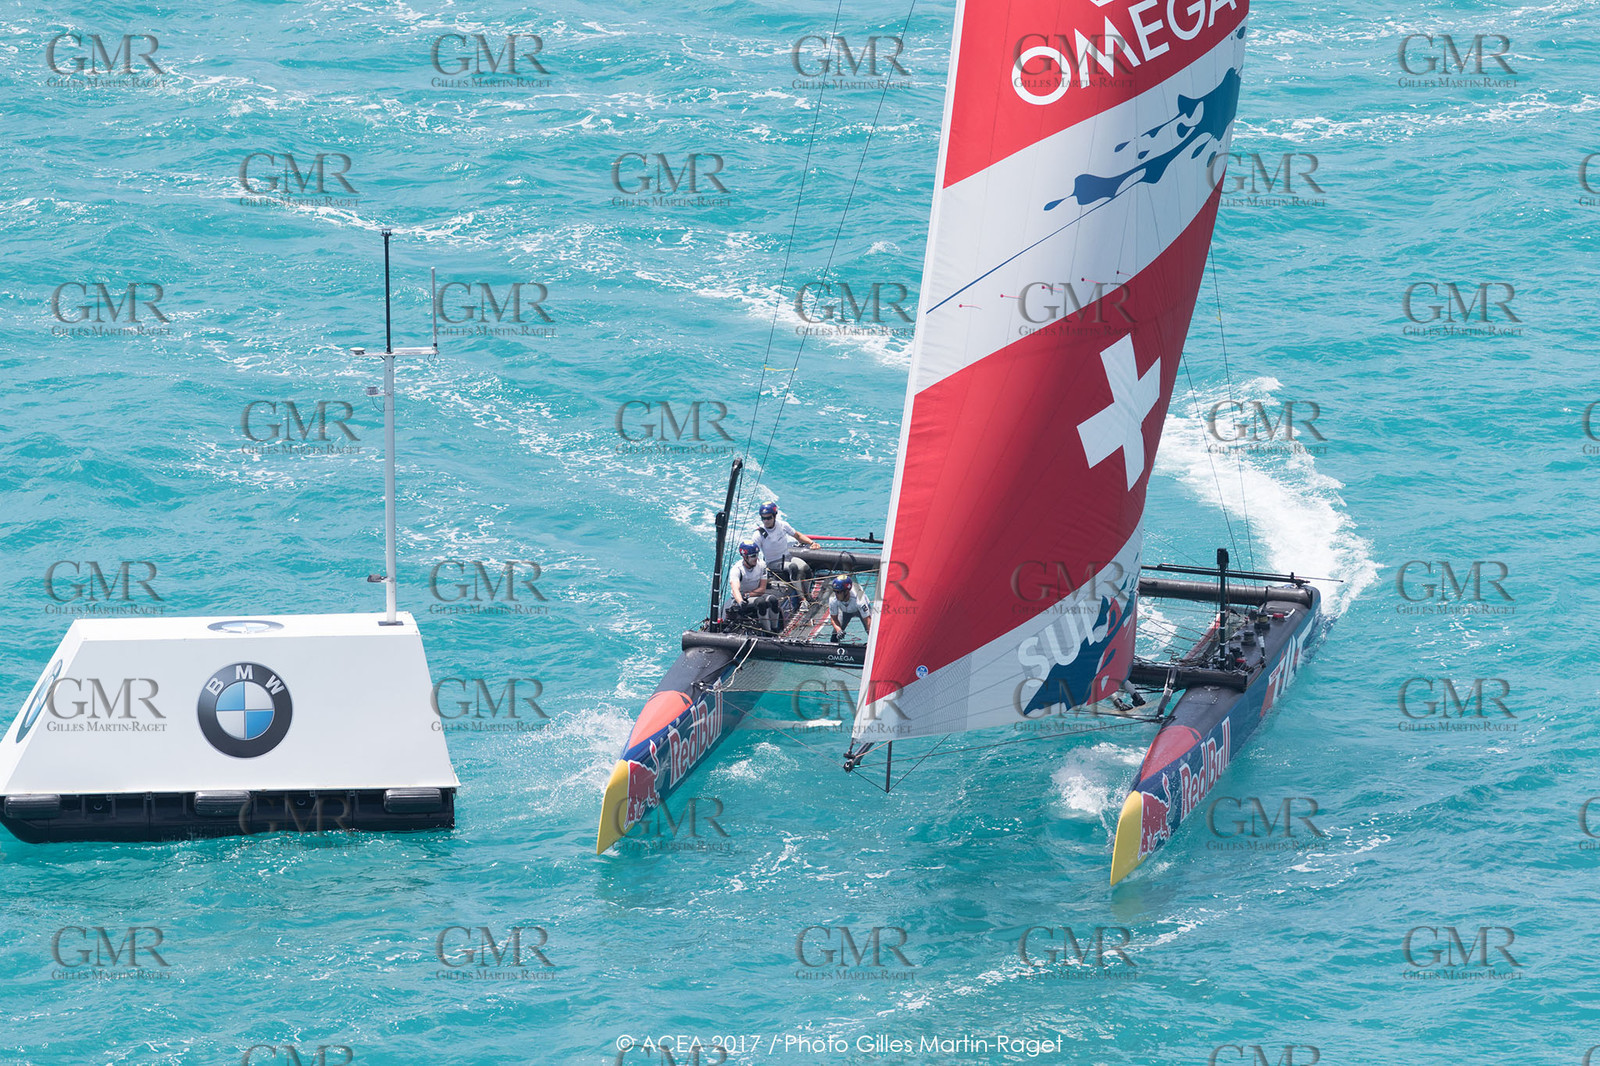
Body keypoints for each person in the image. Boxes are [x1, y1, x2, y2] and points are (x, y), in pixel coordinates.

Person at [752, 501, 818, 596]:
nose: (766, 521)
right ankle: (802, 599)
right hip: (772, 562)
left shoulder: (783, 525)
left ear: (775, 516)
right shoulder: (758, 535)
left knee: (805, 568)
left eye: (768, 518)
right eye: (763, 518)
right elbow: (754, 555)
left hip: (787, 556)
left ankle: (807, 592)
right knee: (793, 568)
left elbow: (797, 535)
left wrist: (812, 543)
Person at [725, 542, 780, 631]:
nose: (756, 558)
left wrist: (748, 594)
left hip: (753, 595)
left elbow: (762, 589)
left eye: (757, 555)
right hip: (742, 599)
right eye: (753, 556)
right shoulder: (737, 570)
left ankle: (775, 628)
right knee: (761, 602)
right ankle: (768, 631)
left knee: (773, 600)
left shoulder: (761, 565)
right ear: (745, 557)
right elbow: (735, 590)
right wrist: (741, 602)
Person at [827, 574, 872, 642]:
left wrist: (871, 637)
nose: (836, 594)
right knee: (835, 636)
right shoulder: (833, 599)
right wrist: (839, 630)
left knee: (871, 631)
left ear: (846, 591)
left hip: (859, 610)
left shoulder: (859, 599)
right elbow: (834, 618)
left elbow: (868, 621)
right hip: (845, 612)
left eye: (838, 592)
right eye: (834, 591)